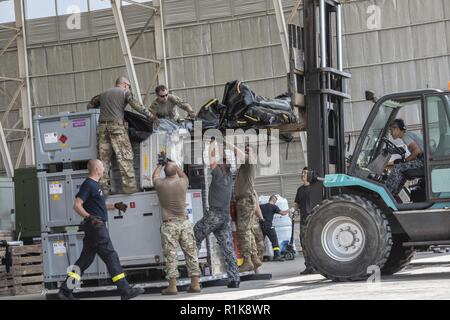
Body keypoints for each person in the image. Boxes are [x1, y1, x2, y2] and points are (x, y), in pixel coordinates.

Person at [57, 159, 144, 300]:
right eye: (103, 167)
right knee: (111, 256)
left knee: (84, 261)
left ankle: (65, 291)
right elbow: (77, 205)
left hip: (94, 227)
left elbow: (98, 205)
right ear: (97, 169)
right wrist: (90, 217)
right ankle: (125, 290)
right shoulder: (88, 184)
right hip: (96, 226)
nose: (104, 169)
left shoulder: (96, 185)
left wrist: (115, 206)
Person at [89, 76, 156, 195]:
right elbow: (137, 106)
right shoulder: (125, 92)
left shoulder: (103, 94)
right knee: (125, 158)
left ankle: (103, 189)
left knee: (103, 161)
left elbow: (90, 105)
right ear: (125, 84)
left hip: (102, 129)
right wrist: (151, 116)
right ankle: (130, 188)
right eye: (128, 86)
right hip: (117, 129)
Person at [193, 139, 240, 288]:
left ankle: (195, 278)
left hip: (214, 215)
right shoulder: (230, 175)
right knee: (227, 247)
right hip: (225, 217)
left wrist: (213, 142)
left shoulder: (218, 173)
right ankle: (235, 279)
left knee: (195, 236)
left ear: (220, 165)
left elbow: (211, 157)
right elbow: (233, 157)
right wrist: (226, 145)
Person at [153, 161, 201, 295]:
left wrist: (160, 165)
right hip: (185, 223)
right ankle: (195, 284)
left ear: (165, 172)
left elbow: (154, 176)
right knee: (191, 254)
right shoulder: (183, 182)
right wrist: (174, 165)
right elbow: (183, 175)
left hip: (169, 224)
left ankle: (172, 287)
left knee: (171, 256)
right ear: (175, 171)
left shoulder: (160, 184)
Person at [231, 142, 263, 273]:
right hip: (245, 200)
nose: (246, 153)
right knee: (247, 230)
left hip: (245, 200)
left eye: (248, 151)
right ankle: (254, 258)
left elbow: (241, 154)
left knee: (243, 231)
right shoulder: (245, 166)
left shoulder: (250, 161)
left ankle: (247, 260)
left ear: (253, 154)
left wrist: (228, 144)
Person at [385, 118, 424, 198]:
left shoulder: (405, 136)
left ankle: (387, 193)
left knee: (397, 168)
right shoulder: (409, 134)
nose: (391, 133)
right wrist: (405, 161)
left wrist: (404, 160)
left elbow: (416, 150)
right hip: (424, 159)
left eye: (391, 130)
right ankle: (394, 194)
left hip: (423, 161)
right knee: (402, 170)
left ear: (397, 129)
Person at [294, 167, 316, 275]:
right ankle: (309, 266)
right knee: (304, 243)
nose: (302, 174)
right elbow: (297, 203)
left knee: (314, 242)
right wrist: (292, 210)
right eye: (302, 173)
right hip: (303, 219)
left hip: (314, 219)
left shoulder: (315, 188)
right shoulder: (300, 190)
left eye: (305, 173)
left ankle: (317, 266)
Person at [259, 195, 289, 261]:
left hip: (261, 226)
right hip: (269, 226)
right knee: (274, 241)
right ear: (275, 200)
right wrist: (289, 210)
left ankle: (259, 257)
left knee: (260, 242)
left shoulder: (261, 206)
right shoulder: (274, 206)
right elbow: (283, 213)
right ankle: (277, 256)